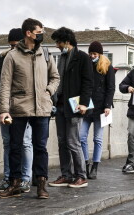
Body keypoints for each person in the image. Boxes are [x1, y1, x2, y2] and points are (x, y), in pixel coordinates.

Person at [0, 18, 60, 200]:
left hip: (42, 108)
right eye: (39, 32)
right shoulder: (12, 56)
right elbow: (5, 85)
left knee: (40, 147)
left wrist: (48, 91)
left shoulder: (45, 53)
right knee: (15, 147)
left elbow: (55, 77)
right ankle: (15, 184)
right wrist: (3, 110)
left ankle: (41, 185)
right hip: (19, 108)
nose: (41, 35)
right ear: (28, 33)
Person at [47, 27, 93, 189]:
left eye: (58, 42)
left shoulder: (82, 58)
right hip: (60, 105)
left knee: (73, 142)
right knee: (62, 142)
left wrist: (84, 104)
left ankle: (81, 176)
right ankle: (66, 175)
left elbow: (88, 83)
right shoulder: (63, 57)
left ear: (67, 42)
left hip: (74, 106)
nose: (57, 45)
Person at [0, 28, 33, 193]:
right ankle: (8, 177)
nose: (12, 48)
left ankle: (25, 179)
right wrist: (5, 73)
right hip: (6, 108)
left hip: (23, 108)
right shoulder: (5, 58)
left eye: (15, 45)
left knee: (25, 142)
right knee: (8, 142)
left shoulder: (30, 57)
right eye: (10, 46)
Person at [80, 41, 115, 180]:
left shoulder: (107, 67)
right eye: (91, 53)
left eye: (94, 54)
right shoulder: (86, 65)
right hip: (87, 106)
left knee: (98, 139)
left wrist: (107, 105)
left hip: (101, 108)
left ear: (100, 54)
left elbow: (111, 88)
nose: (92, 56)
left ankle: (95, 166)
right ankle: (85, 163)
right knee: (81, 136)